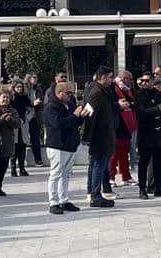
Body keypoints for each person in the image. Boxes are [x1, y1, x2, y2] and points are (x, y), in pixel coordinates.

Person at [41, 81, 84, 215]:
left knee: (66, 174)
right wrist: (75, 116)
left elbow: (74, 122)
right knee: (55, 174)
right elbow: (59, 123)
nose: (71, 96)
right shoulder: (51, 107)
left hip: (69, 144)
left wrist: (81, 116)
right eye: (68, 93)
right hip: (57, 145)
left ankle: (64, 199)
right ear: (59, 93)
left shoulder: (69, 104)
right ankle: (53, 202)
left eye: (71, 93)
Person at [134, 74, 161, 199]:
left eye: (148, 80)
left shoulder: (160, 94)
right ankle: (142, 188)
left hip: (159, 131)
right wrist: (157, 109)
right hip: (146, 132)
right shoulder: (139, 95)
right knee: (144, 162)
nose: (145, 83)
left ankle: (158, 186)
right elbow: (141, 112)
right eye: (143, 80)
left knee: (160, 161)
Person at [84, 67, 118, 209]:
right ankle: (95, 195)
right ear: (102, 77)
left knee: (96, 164)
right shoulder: (97, 93)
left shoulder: (103, 92)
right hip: (99, 136)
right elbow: (91, 116)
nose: (112, 80)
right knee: (98, 165)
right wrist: (88, 138)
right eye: (110, 77)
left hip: (103, 134)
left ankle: (93, 193)